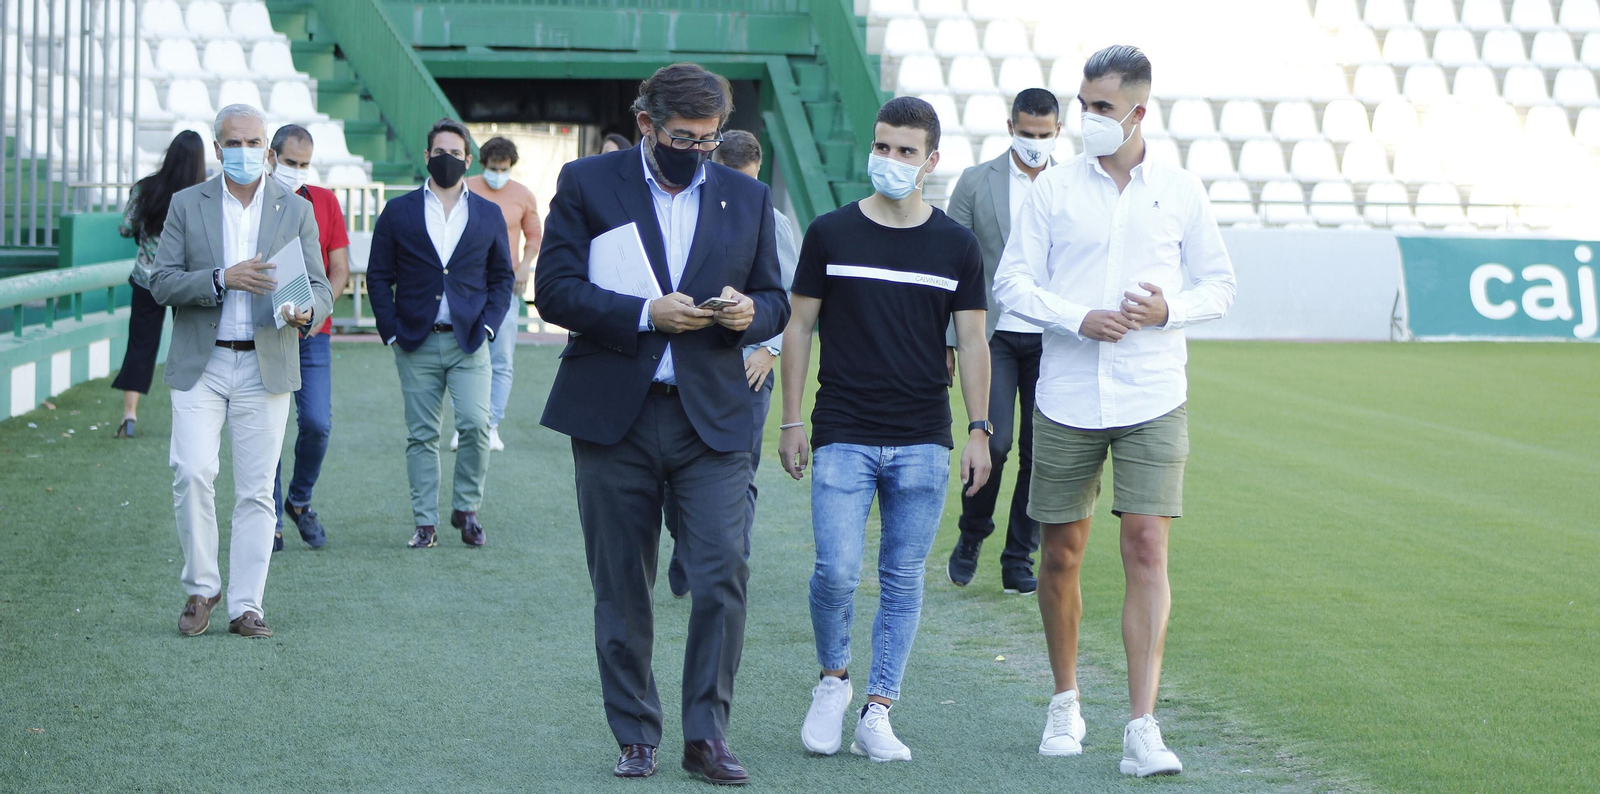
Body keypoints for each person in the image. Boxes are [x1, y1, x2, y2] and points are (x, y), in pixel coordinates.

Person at [534, 63, 789, 785]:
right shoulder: (588, 183)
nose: (699, 152)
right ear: (647, 125)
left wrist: (751, 314)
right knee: (621, 583)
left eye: (710, 141)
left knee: (722, 573)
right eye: (685, 138)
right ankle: (636, 733)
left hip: (714, 418)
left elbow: (775, 297)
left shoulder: (747, 194)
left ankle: (706, 734)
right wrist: (646, 314)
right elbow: (551, 289)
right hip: (614, 415)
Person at [991, 45, 1236, 775]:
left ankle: (1142, 724)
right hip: (1066, 393)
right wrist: (1075, 317)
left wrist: (1168, 309)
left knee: (1147, 548)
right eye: (1084, 103)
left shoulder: (1182, 189)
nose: (1087, 118)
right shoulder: (1054, 189)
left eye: (1101, 106)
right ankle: (1064, 700)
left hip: (1155, 390)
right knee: (1061, 552)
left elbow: (1219, 286)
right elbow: (1012, 283)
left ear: (1138, 110)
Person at [778, 96, 992, 763]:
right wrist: (790, 419)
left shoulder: (956, 245)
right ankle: (833, 682)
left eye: (905, 151)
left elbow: (975, 342)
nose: (890, 161)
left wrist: (980, 429)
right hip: (842, 427)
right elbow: (799, 325)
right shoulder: (831, 233)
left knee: (903, 576)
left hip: (924, 436)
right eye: (882, 147)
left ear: (931, 161)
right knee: (836, 572)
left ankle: (879, 709)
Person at [146, 104, 333, 640]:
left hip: (265, 360)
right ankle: (202, 586)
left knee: (256, 491)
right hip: (201, 363)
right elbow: (161, 282)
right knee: (191, 471)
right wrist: (221, 278)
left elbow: (318, 287)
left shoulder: (293, 209)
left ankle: (246, 605)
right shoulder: (187, 204)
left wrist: (308, 312)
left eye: (254, 143)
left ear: (268, 152)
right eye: (235, 142)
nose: (245, 151)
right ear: (218, 145)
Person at [366, 118, 516, 550]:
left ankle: (466, 509)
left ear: (468, 160)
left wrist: (488, 324)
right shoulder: (399, 211)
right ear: (427, 156)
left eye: (455, 154)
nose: (446, 159)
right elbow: (378, 276)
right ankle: (425, 523)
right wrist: (390, 329)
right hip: (414, 340)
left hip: (470, 339)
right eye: (439, 152)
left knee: (475, 424)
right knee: (421, 435)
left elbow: (501, 278)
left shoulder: (488, 213)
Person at [661, 129, 798, 599]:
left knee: (740, 471)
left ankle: (728, 564)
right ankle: (685, 544)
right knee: (676, 474)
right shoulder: (687, 210)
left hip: (751, 365)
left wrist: (768, 349)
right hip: (696, 361)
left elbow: (786, 298)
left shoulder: (772, 220)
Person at [944, 87, 1063, 596]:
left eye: (1045, 134)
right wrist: (946, 338)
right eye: (1026, 132)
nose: (1035, 142)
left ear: (1058, 131)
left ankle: (1020, 556)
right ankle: (972, 534)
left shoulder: (1075, 184)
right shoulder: (975, 182)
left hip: (1056, 339)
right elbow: (952, 266)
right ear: (1009, 125)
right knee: (995, 440)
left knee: (1042, 452)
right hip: (990, 336)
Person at [264, 124, 350, 552]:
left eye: (303, 164)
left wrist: (315, 313)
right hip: (265, 331)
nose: (296, 170)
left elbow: (339, 270)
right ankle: (272, 515)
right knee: (269, 426)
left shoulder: (326, 202)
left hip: (312, 332)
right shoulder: (253, 203)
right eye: (289, 162)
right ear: (271, 158)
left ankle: (299, 500)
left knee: (317, 423)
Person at [111, 130, 207, 438]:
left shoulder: (146, 187)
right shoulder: (202, 194)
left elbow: (125, 228)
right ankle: (196, 412)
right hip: (185, 280)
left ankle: (129, 414)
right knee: (192, 346)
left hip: (147, 279)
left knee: (140, 345)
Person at [459, 135, 543, 453]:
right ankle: (466, 424)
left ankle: (491, 424)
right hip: (467, 284)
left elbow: (534, 234)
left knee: (502, 357)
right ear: (483, 165)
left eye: (504, 168)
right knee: (465, 353)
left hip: (505, 284)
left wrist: (524, 266)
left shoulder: (522, 195)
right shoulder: (465, 187)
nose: (499, 173)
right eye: (494, 168)